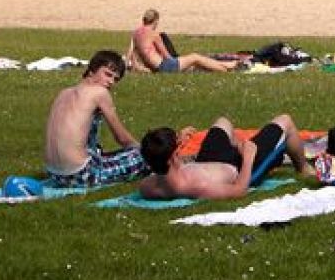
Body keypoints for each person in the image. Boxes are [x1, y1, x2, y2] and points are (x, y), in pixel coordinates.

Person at [138, 114, 313, 201]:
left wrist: (176, 145)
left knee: (222, 122)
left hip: (208, 160)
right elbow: (239, 191)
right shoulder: (198, 186)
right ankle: (302, 167)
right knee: (286, 121)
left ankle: (238, 145)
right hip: (240, 167)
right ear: (173, 157)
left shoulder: (148, 185)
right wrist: (248, 157)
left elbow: (169, 163)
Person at [43, 51, 148, 189]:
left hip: (53, 173)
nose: (111, 81)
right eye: (108, 74)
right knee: (147, 157)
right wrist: (144, 150)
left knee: (101, 151)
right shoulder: (99, 93)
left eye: (115, 79)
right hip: (80, 175)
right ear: (92, 70)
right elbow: (122, 139)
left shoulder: (64, 93)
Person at [130, 9, 236, 73]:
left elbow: (132, 54)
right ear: (156, 20)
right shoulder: (154, 34)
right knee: (195, 57)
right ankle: (225, 69)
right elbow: (166, 55)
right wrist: (179, 61)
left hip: (155, 68)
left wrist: (140, 68)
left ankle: (226, 65)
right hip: (164, 66)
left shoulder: (136, 33)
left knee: (193, 64)